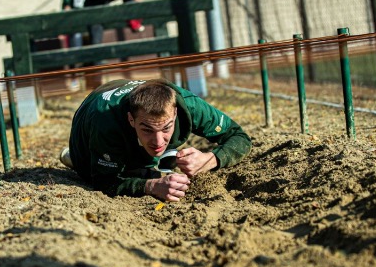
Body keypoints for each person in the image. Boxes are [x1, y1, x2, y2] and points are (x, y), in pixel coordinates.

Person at [60, 78, 252, 202]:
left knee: (151, 159)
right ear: (131, 119)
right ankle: (77, 158)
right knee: (96, 170)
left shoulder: (188, 105)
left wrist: (210, 159)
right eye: (148, 129)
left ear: (175, 113)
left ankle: (152, 158)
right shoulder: (107, 122)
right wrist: (150, 187)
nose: (158, 140)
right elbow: (103, 182)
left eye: (166, 128)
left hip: (128, 107)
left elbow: (239, 136)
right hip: (92, 114)